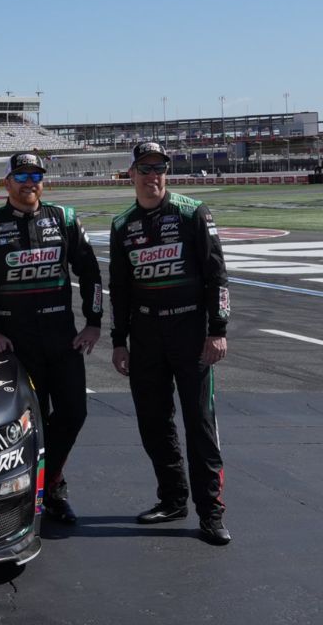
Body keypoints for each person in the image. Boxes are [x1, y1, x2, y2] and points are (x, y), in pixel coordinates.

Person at [0, 152, 103, 524]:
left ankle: (50, 480)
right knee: (27, 422)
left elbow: (91, 273)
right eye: (20, 176)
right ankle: (29, 492)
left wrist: (93, 321)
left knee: (74, 412)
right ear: (6, 183)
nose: (29, 183)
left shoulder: (65, 219)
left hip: (63, 339)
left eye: (35, 175)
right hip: (17, 346)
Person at [109, 142, 231, 546]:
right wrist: (118, 341)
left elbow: (218, 276)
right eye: (144, 169)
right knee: (154, 423)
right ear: (131, 174)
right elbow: (120, 288)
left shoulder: (193, 211)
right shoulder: (122, 224)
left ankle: (211, 513)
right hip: (145, 338)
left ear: (167, 173)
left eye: (158, 168)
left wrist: (218, 329)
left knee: (199, 424)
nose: (152, 176)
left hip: (191, 333)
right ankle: (173, 498)